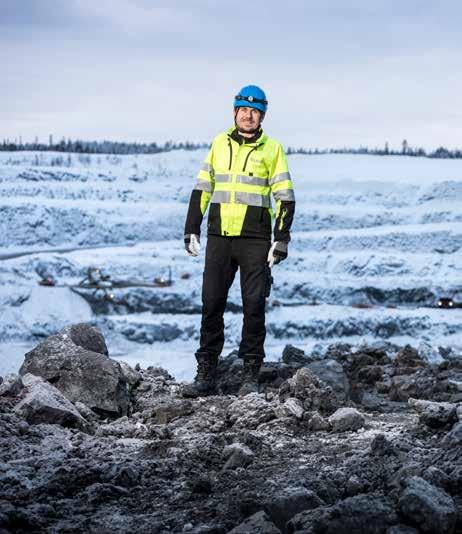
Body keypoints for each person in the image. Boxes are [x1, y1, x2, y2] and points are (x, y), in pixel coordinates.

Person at [182, 85, 295, 397]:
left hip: (255, 239)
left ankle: (250, 374)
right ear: (235, 112)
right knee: (211, 303)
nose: (248, 115)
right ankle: (206, 373)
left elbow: (285, 197)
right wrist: (192, 227)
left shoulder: (272, 149)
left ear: (261, 116)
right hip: (220, 236)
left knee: (254, 306)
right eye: (243, 109)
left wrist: (281, 239)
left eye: (255, 110)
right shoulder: (219, 143)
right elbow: (203, 187)